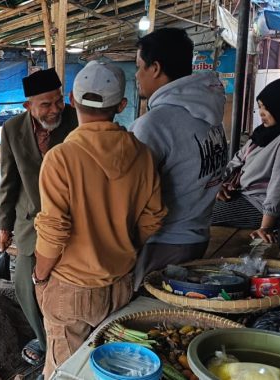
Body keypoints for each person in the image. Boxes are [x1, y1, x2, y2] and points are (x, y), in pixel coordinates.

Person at [34, 61, 167, 378]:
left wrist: (40, 277)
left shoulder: (61, 158)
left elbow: (53, 232)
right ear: (121, 105)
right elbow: (153, 219)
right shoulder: (143, 155)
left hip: (70, 287)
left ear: (70, 99)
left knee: (65, 372)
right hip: (119, 284)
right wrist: (120, 247)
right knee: (106, 370)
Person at [131, 28, 228, 289]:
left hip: (163, 243)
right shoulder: (210, 113)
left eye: (139, 66)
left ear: (156, 68)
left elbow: (132, 194)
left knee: (151, 317)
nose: (137, 75)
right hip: (198, 235)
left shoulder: (154, 124)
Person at [0, 67, 78, 368]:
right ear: (28, 106)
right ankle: (45, 341)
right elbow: (9, 180)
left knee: (64, 285)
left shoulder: (75, 120)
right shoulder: (12, 129)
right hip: (30, 221)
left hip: (71, 221)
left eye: (58, 100)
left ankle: (66, 340)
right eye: (46, 104)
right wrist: (4, 225)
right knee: (24, 285)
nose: (55, 109)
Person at [213, 72, 280, 258]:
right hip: (239, 193)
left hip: (257, 204)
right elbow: (235, 161)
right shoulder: (261, 134)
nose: (262, 113)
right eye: (259, 107)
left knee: (202, 213)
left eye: (267, 108)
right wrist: (221, 184)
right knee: (199, 202)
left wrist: (266, 226)